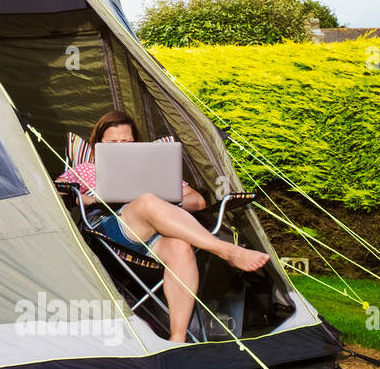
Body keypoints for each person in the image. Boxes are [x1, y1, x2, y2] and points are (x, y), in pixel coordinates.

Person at [62, 110, 268, 343]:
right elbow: (55, 193)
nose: (121, 148)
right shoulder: (85, 171)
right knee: (147, 200)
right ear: (98, 145)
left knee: (180, 246)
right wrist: (92, 198)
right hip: (107, 236)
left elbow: (197, 201)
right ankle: (226, 250)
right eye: (112, 143)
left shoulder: (153, 171)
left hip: (152, 240)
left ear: (136, 144)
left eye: (127, 142)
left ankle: (177, 340)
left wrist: (165, 197)